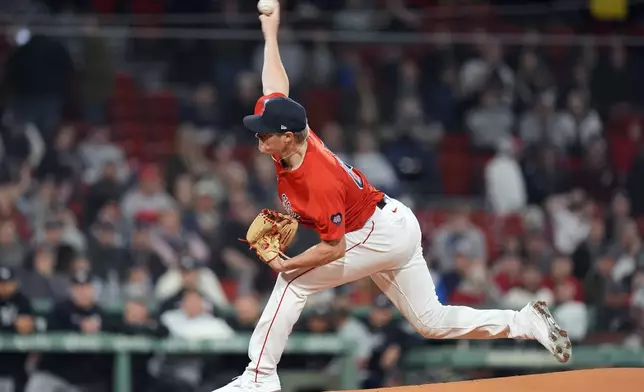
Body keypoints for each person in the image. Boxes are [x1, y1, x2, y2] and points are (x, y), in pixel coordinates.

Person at [214, 3, 572, 392]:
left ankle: (260, 377)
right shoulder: (297, 136)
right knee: (429, 321)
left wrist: (290, 263)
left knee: (293, 284)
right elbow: (275, 86)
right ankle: (523, 322)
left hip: (375, 233)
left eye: (265, 133)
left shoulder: (316, 178)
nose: (258, 136)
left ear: (286, 136)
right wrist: (271, 32)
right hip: (390, 224)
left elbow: (333, 249)